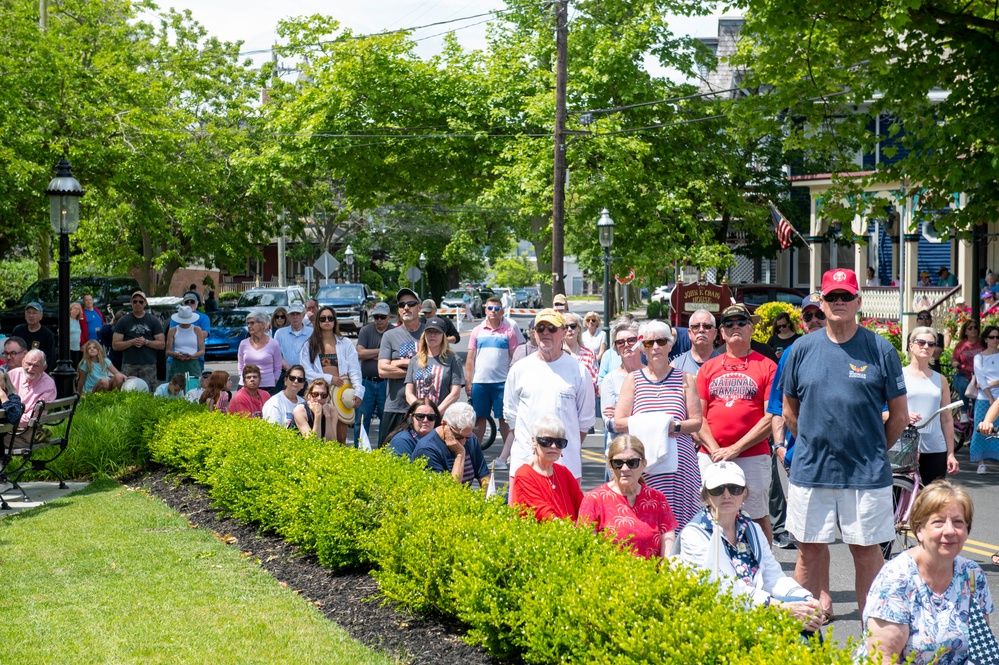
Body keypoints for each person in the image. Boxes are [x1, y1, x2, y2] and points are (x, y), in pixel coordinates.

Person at [780, 268, 908, 619]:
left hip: (866, 473)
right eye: (832, 297)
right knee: (808, 552)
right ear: (821, 302)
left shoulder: (881, 349)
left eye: (845, 297)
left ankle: (875, 631)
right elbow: (790, 411)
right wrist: (809, 441)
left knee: (867, 552)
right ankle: (802, 633)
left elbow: (898, 415)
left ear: (858, 302)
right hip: (812, 470)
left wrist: (874, 449)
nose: (839, 303)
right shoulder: (801, 349)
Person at [678, 461, 822, 633]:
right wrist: (778, 606)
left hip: (756, 607)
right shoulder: (694, 534)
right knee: (801, 627)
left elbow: (772, 575)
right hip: (721, 617)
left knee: (808, 615)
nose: (727, 495)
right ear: (706, 496)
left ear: (744, 493)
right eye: (718, 490)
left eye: (734, 488)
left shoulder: (751, 528)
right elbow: (723, 590)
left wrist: (805, 598)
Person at [860, 481, 992, 665]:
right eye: (938, 522)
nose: (950, 531)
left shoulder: (972, 574)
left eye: (958, 522)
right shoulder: (897, 579)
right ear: (919, 530)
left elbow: (981, 649)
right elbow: (883, 658)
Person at [696, 303, 777, 542]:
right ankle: (716, 568)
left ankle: (762, 570)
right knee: (712, 513)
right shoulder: (708, 368)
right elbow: (698, 416)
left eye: (741, 322)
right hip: (711, 455)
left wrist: (735, 449)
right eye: (728, 324)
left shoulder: (767, 366)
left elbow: (770, 417)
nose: (735, 327)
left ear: (751, 329)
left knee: (757, 516)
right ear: (721, 333)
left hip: (752, 455)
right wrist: (716, 450)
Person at [613, 320, 703, 530]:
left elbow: (697, 422)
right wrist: (653, 423)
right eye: (649, 343)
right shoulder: (633, 380)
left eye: (661, 341)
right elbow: (619, 421)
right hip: (645, 466)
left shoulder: (685, 379)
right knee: (647, 523)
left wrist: (674, 427)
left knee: (682, 524)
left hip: (681, 466)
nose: (655, 347)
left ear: (670, 345)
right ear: (642, 348)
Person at [504, 309, 595, 486]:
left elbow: (585, 422)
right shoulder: (519, 368)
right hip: (525, 465)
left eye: (552, 328)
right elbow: (510, 415)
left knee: (566, 515)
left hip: (566, 467)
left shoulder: (579, 371)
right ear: (534, 333)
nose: (546, 332)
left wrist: (560, 449)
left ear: (562, 332)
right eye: (540, 328)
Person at [767, 293, 827, 550]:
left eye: (819, 315)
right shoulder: (792, 353)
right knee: (807, 540)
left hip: (847, 459)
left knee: (858, 543)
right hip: (801, 454)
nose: (814, 320)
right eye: (808, 316)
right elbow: (777, 405)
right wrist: (780, 446)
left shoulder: (855, 349)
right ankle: (812, 591)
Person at [578, 434, 678, 559]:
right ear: (610, 465)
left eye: (632, 463)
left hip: (651, 576)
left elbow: (668, 545)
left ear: (644, 464)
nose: (624, 468)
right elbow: (587, 550)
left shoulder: (657, 499)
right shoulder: (594, 499)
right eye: (618, 463)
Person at [902, 327, 959, 485]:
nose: (926, 347)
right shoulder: (899, 376)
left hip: (935, 447)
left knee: (934, 498)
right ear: (911, 345)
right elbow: (883, 411)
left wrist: (951, 453)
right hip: (903, 445)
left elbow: (946, 419)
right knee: (900, 494)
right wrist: (904, 416)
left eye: (931, 344)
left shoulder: (940, 380)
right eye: (921, 342)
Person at [465, 296, 519, 455]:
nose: (493, 312)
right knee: (479, 419)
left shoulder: (509, 331)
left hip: (502, 383)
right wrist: (469, 382)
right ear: (485, 310)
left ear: (501, 311)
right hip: (480, 382)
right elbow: (470, 359)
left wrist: (513, 382)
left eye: (496, 309)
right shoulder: (477, 331)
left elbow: (514, 359)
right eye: (490, 308)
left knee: (505, 419)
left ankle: (509, 454)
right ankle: (473, 454)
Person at [301, 306, 363, 445]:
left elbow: (354, 369)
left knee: (340, 438)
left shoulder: (345, 343)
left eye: (330, 318)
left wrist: (359, 391)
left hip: (340, 394)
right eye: (323, 319)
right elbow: (307, 372)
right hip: (319, 394)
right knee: (318, 433)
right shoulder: (309, 345)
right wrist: (329, 379)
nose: (327, 321)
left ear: (335, 321)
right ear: (318, 322)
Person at [510, 416, 585, 522]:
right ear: (534, 441)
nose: (554, 446)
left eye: (560, 442)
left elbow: (582, 504)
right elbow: (541, 512)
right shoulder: (524, 475)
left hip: (570, 534)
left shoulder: (563, 472)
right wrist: (567, 531)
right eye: (546, 441)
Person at [378, 288, 426, 446]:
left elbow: (435, 365)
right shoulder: (389, 335)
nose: (406, 307)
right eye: (402, 304)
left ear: (419, 307)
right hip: (395, 406)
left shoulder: (430, 333)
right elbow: (382, 370)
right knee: (386, 453)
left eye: (411, 303)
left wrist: (397, 362)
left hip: (425, 409)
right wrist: (415, 368)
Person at [410, 402, 490, 488]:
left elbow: (485, 477)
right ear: (444, 425)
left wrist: (486, 499)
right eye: (458, 437)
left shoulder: (471, 438)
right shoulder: (427, 449)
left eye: (467, 437)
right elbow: (450, 491)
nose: (463, 442)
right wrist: (460, 454)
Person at [599, 321, 642, 465]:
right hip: (619, 457)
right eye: (620, 342)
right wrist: (645, 416)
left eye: (631, 340)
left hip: (649, 453)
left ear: (640, 343)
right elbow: (611, 424)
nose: (626, 345)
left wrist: (621, 412)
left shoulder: (652, 375)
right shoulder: (609, 380)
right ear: (616, 349)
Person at [405, 317, 464, 412]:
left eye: (437, 332)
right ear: (424, 335)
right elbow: (408, 392)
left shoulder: (453, 359)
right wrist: (420, 411)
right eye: (429, 332)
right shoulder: (414, 360)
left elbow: (455, 393)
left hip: (443, 416)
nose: (432, 335)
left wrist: (435, 413)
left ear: (443, 336)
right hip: (419, 417)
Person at [112, 291, 165, 389]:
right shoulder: (123, 321)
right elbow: (115, 345)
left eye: (141, 302)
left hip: (148, 365)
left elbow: (161, 344)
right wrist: (131, 342)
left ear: (145, 303)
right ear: (131, 302)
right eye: (135, 301)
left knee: (149, 393)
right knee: (128, 393)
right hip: (129, 364)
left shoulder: (153, 320)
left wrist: (146, 342)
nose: (138, 304)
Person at [355, 302, 391, 443]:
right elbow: (360, 353)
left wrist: (370, 354)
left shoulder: (394, 332)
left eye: (382, 317)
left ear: (389, 316)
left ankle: (383, 452)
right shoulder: (366, 330)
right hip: (366, 381)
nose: (379, 320)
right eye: (376, 317)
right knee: (361, 419)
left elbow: (395, 358)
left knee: (386, 420)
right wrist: (383, 352)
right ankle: (360, 452)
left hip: (386, 382)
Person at [971, 325, 999, 474]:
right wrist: (989, 395)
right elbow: (980, 379)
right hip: (984, 398)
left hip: (997, 395)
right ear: (986, 339)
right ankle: (980, 462)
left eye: (997, 337)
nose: (995, 340)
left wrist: (992, 384)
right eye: (992, 337)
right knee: (981, 427)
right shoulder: (979, 357)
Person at [238, 310, 283, 396]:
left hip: (267, 386)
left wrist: (273, 382)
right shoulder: (243, 343)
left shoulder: (273, 344)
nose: (249, 326)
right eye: (248, 323)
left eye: (252, 323)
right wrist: (244, 379)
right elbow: (240, 365)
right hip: (246, 386)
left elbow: (278, 368)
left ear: (262, 324)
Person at [10, 349, 57, 427]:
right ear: (22, 362)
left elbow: (33, 417)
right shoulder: (12, 374)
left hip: (26, 430)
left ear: (44, 367)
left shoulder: (48, 385)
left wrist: (10, 421)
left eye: (36, 366)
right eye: (28, 364)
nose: (30, 369)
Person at [671, 309, 720, 376]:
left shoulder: (726, 365)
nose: (701, 330)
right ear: (689, 333)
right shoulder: (675, 366)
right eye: (696, 326)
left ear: (715, 334)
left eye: (707, 326)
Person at [274, 303, 310, 394]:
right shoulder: (280, 333)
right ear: (288, 316)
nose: (295, 317)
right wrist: (289, 369)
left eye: (297, 314)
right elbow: (276, 355)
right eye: (292, 314)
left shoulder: (312, 333)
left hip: (306, 376)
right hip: (285, 375)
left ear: (303, 315)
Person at [950, 319, 982, 416]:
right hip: (963, 374)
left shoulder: (982, 344)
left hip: (978, 375)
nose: (973, 330)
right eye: (970, 328)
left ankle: (978, 414)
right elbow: (954, 359)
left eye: (975, 327)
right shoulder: (961, 345)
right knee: (964, 386)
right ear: (965, 331)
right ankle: (963, 413)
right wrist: (955, 363)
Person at [165, 305, 205, 380]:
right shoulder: (173, 330)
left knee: (194, 385)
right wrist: (177, 355)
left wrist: (193, 356)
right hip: (177, 363)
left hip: (192, 362)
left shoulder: (197, 330)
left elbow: (202, 350)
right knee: (176, 388)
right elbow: (168, 351)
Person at [562, 312, 598, 390]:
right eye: (565, 327)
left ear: (578, 329)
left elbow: (594, 381)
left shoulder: (589, 353)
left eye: (573, 326)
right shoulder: (556, 353)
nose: (569, 329)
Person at [68, 301, 84, 368]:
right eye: (75, 308)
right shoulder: (67, 320)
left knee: (76, 366)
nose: (76, 310)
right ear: (70, 310)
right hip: (69, 348)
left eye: (78, 309)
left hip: (77, 348)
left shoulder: (78, 321)